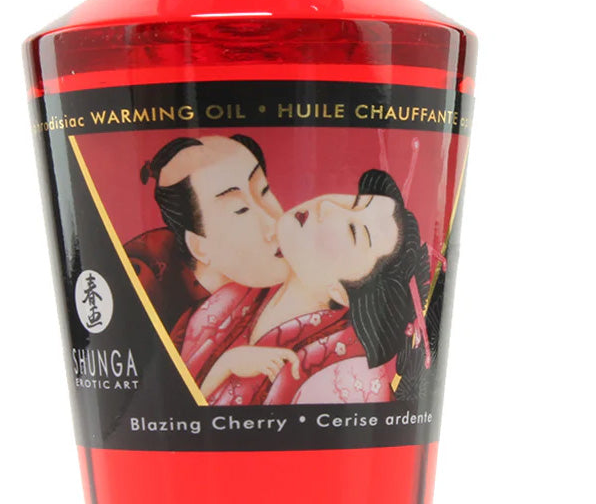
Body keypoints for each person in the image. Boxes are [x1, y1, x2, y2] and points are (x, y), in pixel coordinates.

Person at [181, 169, 433, 406]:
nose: (327, 205)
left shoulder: (347, 377)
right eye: (353, 202)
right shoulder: (235, 296)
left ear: (341, 293)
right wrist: (227, 364)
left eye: (353, 230)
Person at [127, 134, 288, 335]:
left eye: (264, 190)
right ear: (199, 246)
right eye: (240, 209)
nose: (273, 224)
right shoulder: (148, 291)